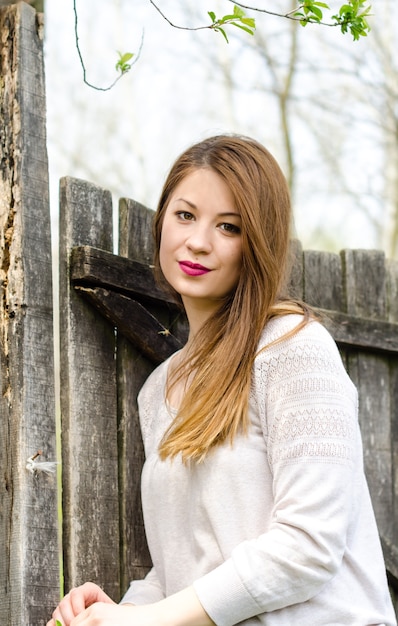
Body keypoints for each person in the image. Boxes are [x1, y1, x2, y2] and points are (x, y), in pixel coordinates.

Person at [47, 135, 396, 626]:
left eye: (228, 226)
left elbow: (309, 546)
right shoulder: (160, 389)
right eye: (185, 215)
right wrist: (117, 611)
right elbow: (183, 577)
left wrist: (146, 620)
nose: (198, 241)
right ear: (162, 220)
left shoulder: (293, 349)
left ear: (257, 243)